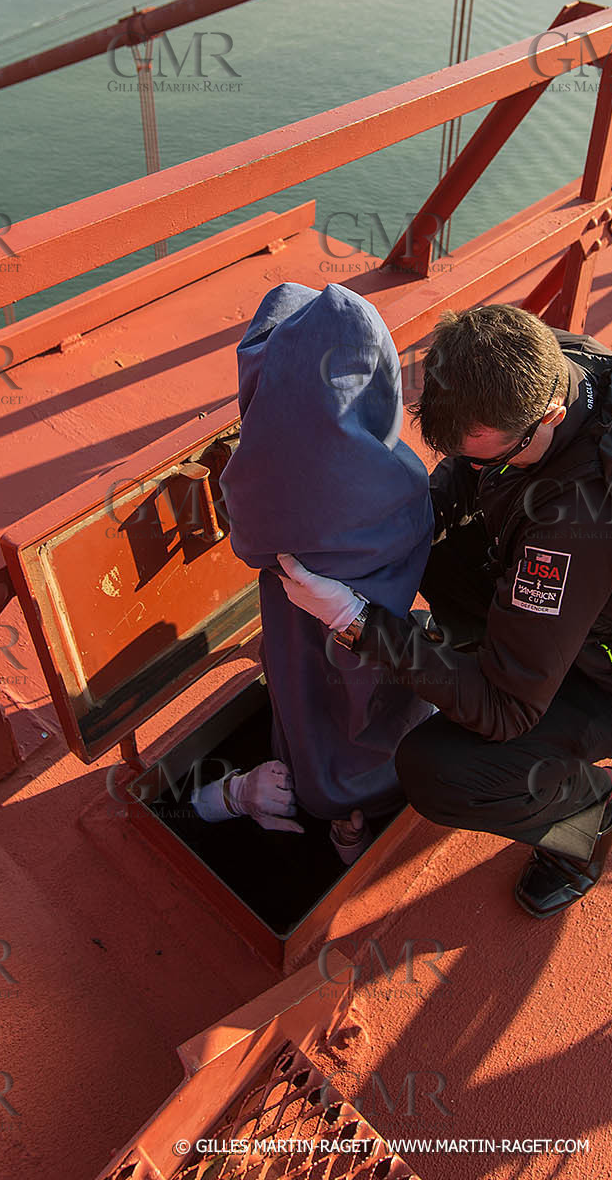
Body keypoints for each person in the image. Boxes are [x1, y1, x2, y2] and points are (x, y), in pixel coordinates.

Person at [276, 302, 612, 918]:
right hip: (611, 596)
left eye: (488, 458)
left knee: (439, 770)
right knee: (435, 548)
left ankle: (591, 816)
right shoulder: (545, 359)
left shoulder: (574, 528)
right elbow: (468, 473)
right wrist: (399, 520)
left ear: (548, 417)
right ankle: (495, 653)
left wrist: (357, 622)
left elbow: (507, 709)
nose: (473, 468)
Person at [210, 281, 436, 860]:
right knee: (373, 711)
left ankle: (310, 803)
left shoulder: (259, 484)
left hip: (301, 634)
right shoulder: (399, 475)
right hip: (382, 639)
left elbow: (250, 543)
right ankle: (355, 820)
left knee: (307, 707)